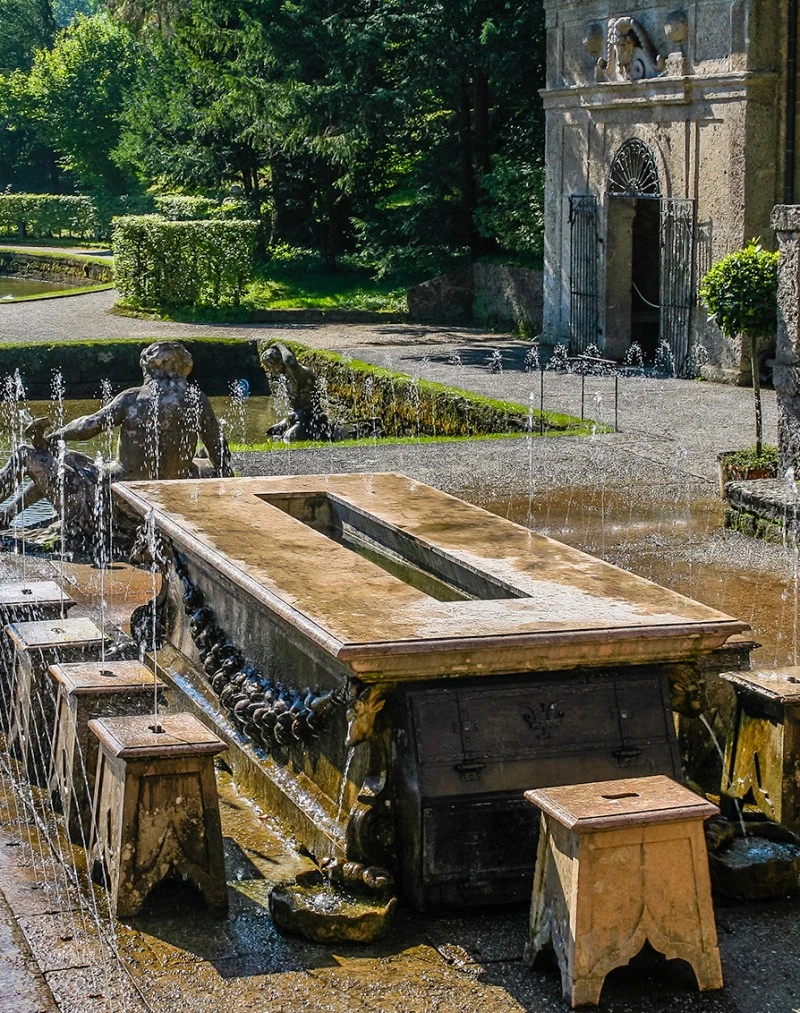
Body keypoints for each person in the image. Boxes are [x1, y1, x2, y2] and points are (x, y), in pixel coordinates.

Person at [0, 341, 233, 551]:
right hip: (169, 502)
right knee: (69, 459)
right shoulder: (196, 399)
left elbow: (88, 426)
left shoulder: (134, 398)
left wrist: (56, 435)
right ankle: (8, 513)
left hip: (118, 501)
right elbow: (219, 449)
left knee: (26, 455)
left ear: (148, 367)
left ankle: (6, 512)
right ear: (184, 367)